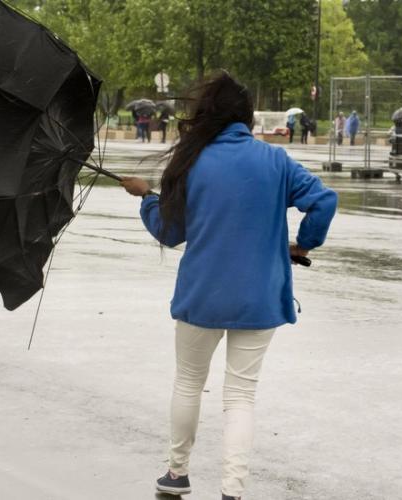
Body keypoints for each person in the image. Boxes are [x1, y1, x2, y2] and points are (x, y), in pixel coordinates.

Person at [119, 71, 337, 500]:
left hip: (202, 294)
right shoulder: (275, 161)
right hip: (259, 298)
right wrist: (302, 243)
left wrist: (146, 197)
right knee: (240, 395)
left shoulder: (190, 162)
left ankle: (176, 475)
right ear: (246, 117)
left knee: (188, 383)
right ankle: (233, 491)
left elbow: (169, 231)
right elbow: (324, 201)